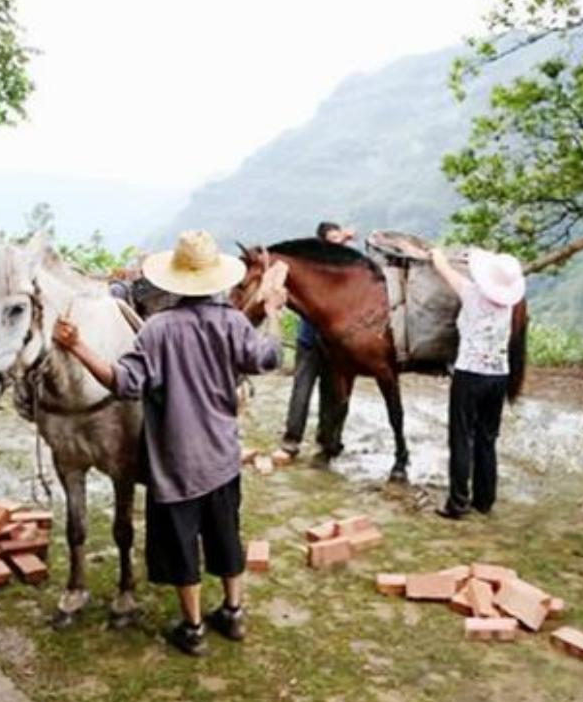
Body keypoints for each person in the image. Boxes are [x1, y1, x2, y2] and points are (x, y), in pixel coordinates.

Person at [53, 229, 287, 656]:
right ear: (216, 279)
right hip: (222, 458)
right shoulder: (233, 322)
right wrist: (272, 312)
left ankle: (193, 628)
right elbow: (270, 358)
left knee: (182, 548)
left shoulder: (157, 330)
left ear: (173, 281)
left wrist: (78, 345)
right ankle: (233, 614)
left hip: (176, 465)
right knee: (225, 536)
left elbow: (123, 383)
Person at [428, 247, 526, 519]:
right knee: (487, 437)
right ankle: (484, 499)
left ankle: (457, 502)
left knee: (461, 437)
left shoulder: (471, 292)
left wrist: (437, 253)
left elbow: (442, 268)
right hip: (498, 375)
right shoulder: (509, 304)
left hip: (470, 374)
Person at [271, 221, 356, 465]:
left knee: (334, 393)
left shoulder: (348, 265)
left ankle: (329, 445)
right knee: (302, 390)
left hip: (336, 342)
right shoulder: (313, 266)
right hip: (309, 340)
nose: (336, 242)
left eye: (338, 237)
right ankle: (290, 442)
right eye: (331, 238)